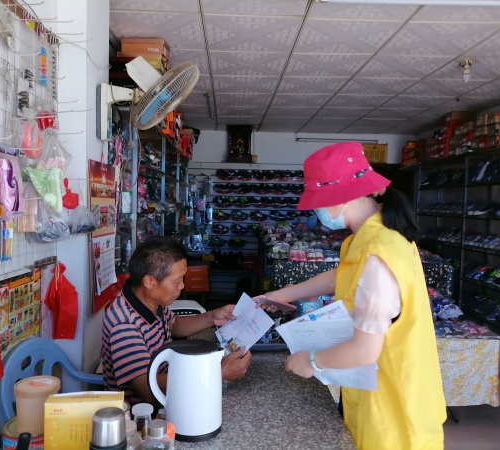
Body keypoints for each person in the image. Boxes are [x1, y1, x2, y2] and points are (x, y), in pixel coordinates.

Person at [261, 142, 445, 450]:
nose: (318, 211)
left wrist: (311, 360)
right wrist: (281, 294)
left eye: (319, 202)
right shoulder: (373, 237)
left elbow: (365, 350)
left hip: (391, 404)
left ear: (342, 197)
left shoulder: (377, 252)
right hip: (376, 384)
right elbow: (341, 276)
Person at [101, 236, 251, 408]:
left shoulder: (150, 300)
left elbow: (173, 326)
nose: (182, 286)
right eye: (176, 281)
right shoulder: (124, 324)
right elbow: (147, 389)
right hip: (147, 414)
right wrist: (219, 374)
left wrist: (212, 317)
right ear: (149, 281)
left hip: (172, 391)